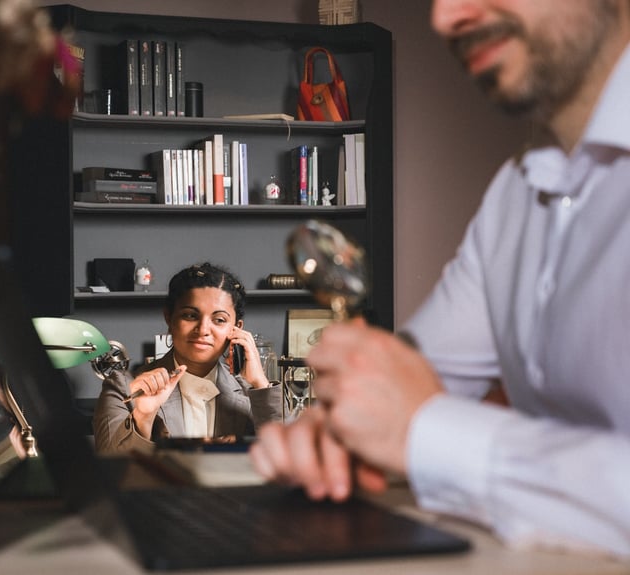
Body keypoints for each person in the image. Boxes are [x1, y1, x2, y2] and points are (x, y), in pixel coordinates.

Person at [250, 0, 630, 558]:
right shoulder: (514, 194)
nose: (446, 17)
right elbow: (414, 376)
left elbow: (417, 414)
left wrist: (427, 432)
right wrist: (337, 430)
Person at [94, 262, 284, 454]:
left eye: (219, 320)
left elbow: (287, 463)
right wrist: (143, 416)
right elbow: (111, 469)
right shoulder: (123, 387)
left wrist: (260, 383)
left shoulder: (254, 395)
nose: (203, 330)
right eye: (190, 315)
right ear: (169, 318)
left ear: (237, 328)